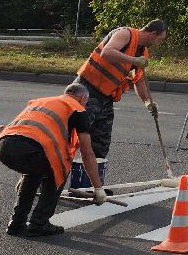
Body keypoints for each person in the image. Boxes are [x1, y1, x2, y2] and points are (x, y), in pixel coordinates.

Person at [69, 19, 169, 191]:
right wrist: (133, 60)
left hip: (106, 98)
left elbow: (139, 82)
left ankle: (93, 186)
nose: (158, 43)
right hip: (86, 91)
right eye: (159, 39)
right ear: (153, 34)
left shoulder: (142, 54)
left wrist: (147, 102)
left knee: (100, 142)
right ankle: (47, 182)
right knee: (68, 137)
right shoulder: (126, 34)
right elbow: (107, 52)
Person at [0, 82, 106, 237]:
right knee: (60, 169)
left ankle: (16, 223)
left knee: (33, 174)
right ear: (83, 98)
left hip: (3, 145)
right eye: (86, 102)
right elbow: (87, 154)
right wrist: (98, 188)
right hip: (29, 148)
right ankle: (39, 223)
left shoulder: (42, 101)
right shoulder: (78, 110)